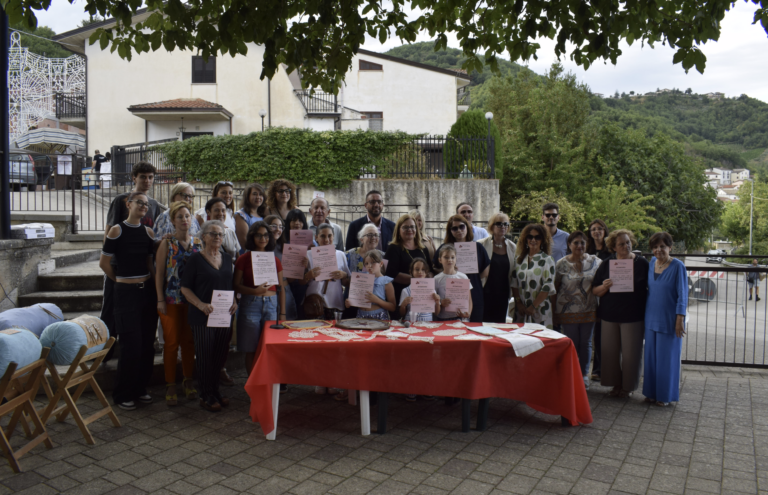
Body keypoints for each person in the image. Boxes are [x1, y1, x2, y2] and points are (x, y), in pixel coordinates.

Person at [99, 191, 157, 411]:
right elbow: (104, 264)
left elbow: (150, 264)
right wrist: (120, 282)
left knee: (146, 345)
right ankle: (123, 393)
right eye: (139, 202)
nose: (143, 206)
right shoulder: (116, 230)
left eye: (146, 204)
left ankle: (140, 388)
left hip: (146, 293)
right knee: (130, 345)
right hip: (126, 294)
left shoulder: (149, 232)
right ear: (128, 203)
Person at [101, 161, 161, 361]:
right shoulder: (121, 200)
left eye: (151, 177)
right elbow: (109, 230)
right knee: (110, 311)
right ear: (133, 178)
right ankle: (104, 353)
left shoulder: (153, 205)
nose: (147, 181)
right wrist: (109, 263)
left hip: (141, 270)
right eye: (143, 177)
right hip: (119, 267)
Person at [180, 220, 238, 412]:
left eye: (220, 234)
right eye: (213, 233)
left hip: (224, 316)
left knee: (220, 356)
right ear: (203, 237)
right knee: (205, 357)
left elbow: (230, 286)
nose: (217, 237)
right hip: (202, 316)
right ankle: (205, 394)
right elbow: (185, 288)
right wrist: (201, 305)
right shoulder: (195, 259)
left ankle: (215, 391)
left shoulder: (227, 259)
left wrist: (235, 302)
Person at [592, 229, 649, 398]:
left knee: (632, 354)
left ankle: (628, 387)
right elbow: (595, 290)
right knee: (610, 353)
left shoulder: (642, 263)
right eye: (621, 244)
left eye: (628, 242)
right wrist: (605, 286)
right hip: (609, 314)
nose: (626, 246)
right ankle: (615, 385)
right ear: (614, 247)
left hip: (633, 315)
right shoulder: (607, 264)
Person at [155, 201, 200, 406]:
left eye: (187, 216)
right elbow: (159, 274)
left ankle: (188, 380)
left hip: (192, 302)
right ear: (172, 220)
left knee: (189, 342)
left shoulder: (199, 243)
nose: (184, 219)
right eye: (180, 216)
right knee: (171, 343)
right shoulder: (166, 243)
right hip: (171, 300)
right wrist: (160, 299)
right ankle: (170, 383)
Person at [234, 221, 286, 374]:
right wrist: (254, 292)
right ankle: (253, 386)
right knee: (251, 348)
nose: (263, 238)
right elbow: (235, 285)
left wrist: (282, 313)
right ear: (252, 237)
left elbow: (281, 287)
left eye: (266, 235)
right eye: (259, 235)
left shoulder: (275, 260)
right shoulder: (243, 259)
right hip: (250, 304)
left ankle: (267, 382)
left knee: (269, 346)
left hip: (271, 304)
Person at [644, 232, 688, 407]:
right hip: (651, 317)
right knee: (651, 359)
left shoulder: (678, 266)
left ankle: (664, 395)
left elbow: (683, 294)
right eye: (655, 247)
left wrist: (680, 318)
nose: (658, 250)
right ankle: (651, 393)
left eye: (662, 246)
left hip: (669, 319)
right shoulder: (652, 263)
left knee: (667, 359)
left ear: (670, 247)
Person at [553, 231, 602, 390]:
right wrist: (554, 311)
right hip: (567, 310)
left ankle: (583, 376)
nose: (579, 246)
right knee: (572, 343)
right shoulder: (561, 263)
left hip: (589, 308)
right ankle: (571, 374)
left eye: (582, 242)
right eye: (576, 243)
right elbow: (555, 287)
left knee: (586, 343)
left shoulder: (596, 262)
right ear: (569, 245)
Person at [432, 215, 489, 322]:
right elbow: (435, 268)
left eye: (462, 226)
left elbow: (485, 272)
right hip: (448, 296)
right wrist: (450, 273)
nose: (459, 230)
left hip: (474, 293)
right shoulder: (445, 248)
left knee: (474, 329)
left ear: (467, 227)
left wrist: (468, 277)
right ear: (450, 231)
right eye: (454, 228)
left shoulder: (478, 247)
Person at [384, 215, 433, 317]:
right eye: (405, 227)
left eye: (412, 227)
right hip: (401, 296)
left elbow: (430, 270)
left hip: (422, 297)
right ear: (398, 230)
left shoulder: (423, 249)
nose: (409, 229)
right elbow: (390, 274)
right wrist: (416, 280)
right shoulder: (393, 248)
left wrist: (427, 279)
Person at [301, 223, 351, 319]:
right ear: (316, 237)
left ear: (334, 236)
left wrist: (343, 275)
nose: (327, 240)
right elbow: (301, 282)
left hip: (335, 302)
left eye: (329, 236)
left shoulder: (341, 255)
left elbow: (346, 282)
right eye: (322, 236)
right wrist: (309, 275)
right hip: (315, 303)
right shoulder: (308, 255)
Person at [511, 223, 556, 328]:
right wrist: (519, 304)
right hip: (521, 311)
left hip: (540, 310)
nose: (533, 240)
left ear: (543, 240)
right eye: (530, 236)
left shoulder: (547, 260)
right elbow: (514, 283)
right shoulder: (518, 260)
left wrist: (533, 306)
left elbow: (547, 286)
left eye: (537, 237)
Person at [479, 212, 516, 323]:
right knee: (482, 324)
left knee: (499, 326)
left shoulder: (512, 247)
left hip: (503, 293)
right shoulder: (481, 244)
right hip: (484, 291)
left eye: (506, 224)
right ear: (492, 226)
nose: (503, 227)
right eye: (499, 224)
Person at [586, 218, 610, 381]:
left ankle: (599, 369)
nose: (597, 231)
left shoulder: (611, 252)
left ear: (605, 231)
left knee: (601, 335)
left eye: (600, 229)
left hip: (605, 295)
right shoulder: (586, 250)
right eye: (594, 229)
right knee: (588, 335)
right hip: (587, 295)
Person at [344, 223, 385, 318]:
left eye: (376, 235)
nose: (374, 237)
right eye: (370, 235)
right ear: (361, 239)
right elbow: (343, 280)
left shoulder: (383, 256)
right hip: (352, 304)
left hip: (374, 307)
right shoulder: (349, 255)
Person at [345, 250, 395, 320]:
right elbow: (357, 299)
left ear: (381, 264)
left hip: (379, 317)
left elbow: (393, 307)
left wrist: (377, 300)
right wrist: (350, 302)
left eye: (373, 262)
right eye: (366, 263)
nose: (369, 266)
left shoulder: (386, 282)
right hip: (361, 316)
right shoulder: (361, 279)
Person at [266, 214, 298, 320]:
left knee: (287, 326)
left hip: (285, 291)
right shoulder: (260, 248)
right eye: (274, 226)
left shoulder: (285, 248)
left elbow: (290, 278)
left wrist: (299, 266)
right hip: (267, 292)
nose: (277, 229)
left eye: (280, 227)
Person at [284, 209, 313, 318]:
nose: (297, 223)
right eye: (293, 220)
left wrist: (308, 262)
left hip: (304, 283)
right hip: (287, 284)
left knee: (302, 313)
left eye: (300, 221)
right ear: (288, 223)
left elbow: (316, 262)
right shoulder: (283, 241)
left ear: (304, 223)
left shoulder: (311, 242)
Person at [434, 245, 473, 321]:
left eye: (452, 257)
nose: (450, 260)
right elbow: (433, 301)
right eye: (446, 257)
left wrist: (468, 313)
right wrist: (441, 303)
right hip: (443, 318)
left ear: (456, 259)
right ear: (440, 260)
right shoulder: (436, 279)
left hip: (461, 317)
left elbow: (469, 299)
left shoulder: (463, 277)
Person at [235, 183, 267, 251]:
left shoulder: (263, 215)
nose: (258, 197)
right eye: (254, 194)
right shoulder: (241, 215)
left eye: (260, 194)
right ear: (247, 196)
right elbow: (244, 242)